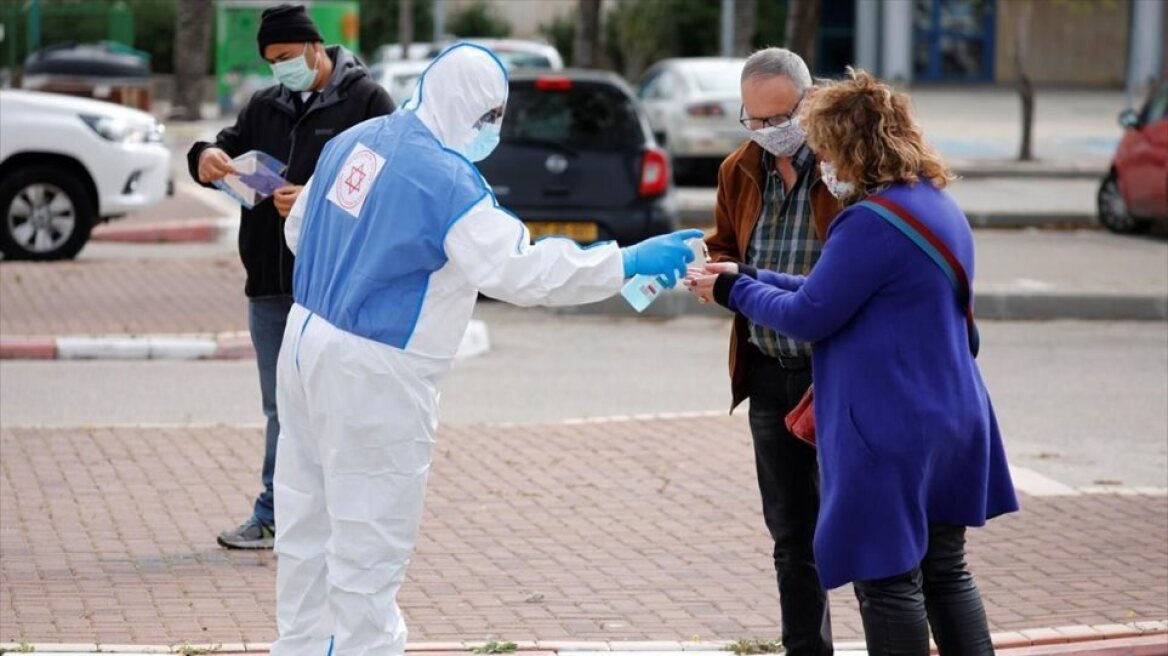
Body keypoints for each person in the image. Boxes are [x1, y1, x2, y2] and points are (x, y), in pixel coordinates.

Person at [271, 42, 703, 655]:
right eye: (489, 118)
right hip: (378, 368)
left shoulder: (357, 140)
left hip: (306, 339)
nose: (492, 132)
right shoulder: (448, 182)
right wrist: (626, 261)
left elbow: (297, 230)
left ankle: (302, 647)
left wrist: (355, 260)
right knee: (370, 537)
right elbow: (520, 271)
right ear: (466, 106)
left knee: (305, 521)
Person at [687, 68, 1019, 655]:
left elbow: (814, 313)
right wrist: (752, 274)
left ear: (854, 149)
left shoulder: (869, 221)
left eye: (828, 150)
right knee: (945, 571)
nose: (824, 164)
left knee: (887, 579)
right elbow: (834, 287)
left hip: (891, 426)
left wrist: (732, 292)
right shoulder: (933, 204)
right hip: (952, 412)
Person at [187, 3, 395, 550]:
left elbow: (391, 184)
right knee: (283, 407)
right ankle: (274, 513)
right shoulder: (265, 105)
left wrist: (313, 201)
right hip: (270, 286)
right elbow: (226, 147)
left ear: (313, 46)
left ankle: (348, 518)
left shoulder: (367, 103)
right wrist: (206, 155)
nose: (280, 69)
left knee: (340, 405)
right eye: (271, 61)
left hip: (334, 287)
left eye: (285, 57)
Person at [702, 47, 840, 654]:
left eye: (776, 119)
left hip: (835, 373)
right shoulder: (740, 168)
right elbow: (727, 246)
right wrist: (706, 270)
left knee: (861, 526)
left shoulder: (842, 171)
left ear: (809, 105)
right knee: (791, 534)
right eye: (752, 121)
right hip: (767, 373)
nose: (765, 134)